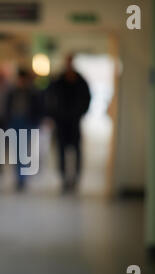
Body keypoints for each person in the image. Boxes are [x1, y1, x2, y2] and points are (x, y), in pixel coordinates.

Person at [47, 54, 90, 193]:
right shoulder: (58, 80)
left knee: (76, 150)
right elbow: (50, 97)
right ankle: (64, 177)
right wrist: (54, 115)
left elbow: (87, 98)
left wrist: (80, 112)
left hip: (74, 121)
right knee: (61, 150)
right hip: (61, 122)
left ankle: (76, 176)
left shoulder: (80, 80)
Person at [5, 68, 42, 191]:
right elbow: (7, 108)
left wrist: (35, 122)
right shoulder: (12, 92)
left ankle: (23, 178)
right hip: (15, 122)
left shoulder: (32, 92)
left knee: (24, 151)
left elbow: (38, 109)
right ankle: (19, 177)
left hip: (27, 123)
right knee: (16, 150)